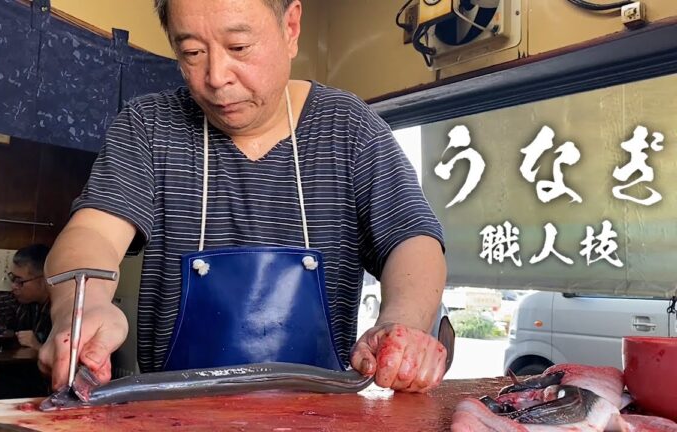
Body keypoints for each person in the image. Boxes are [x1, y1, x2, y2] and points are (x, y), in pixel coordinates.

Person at [40, 0, 448, 394]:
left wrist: (402, 322)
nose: (216, 76)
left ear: (290, 28)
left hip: (319, 416)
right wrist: (82, 307)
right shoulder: (148, 126)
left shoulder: (349, 126)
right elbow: (93, 232)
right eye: (192, 52)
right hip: (174, 416)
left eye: (238, 47)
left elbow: (412, 239)